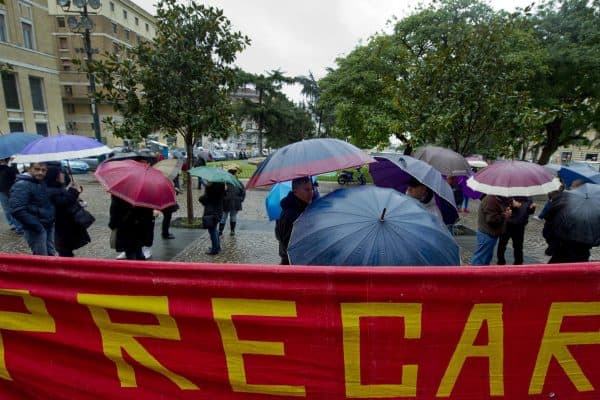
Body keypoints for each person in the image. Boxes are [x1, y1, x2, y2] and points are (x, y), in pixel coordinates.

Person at [9, 162, 56, 256]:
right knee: (41, 257)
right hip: (36, 228)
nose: (40, 172)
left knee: (51, 253)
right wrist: (38, 227)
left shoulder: (40, 182)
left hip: (48, 224)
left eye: (43, 170)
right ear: (29, 169)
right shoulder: (22, 184)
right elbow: (17, 209)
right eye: (37, 169)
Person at [45, 166, 91, 257]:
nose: (63, 175)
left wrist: (75, 192)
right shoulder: (51, 190)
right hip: (61, 224)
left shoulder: (58, 186)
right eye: (61, 173)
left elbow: (68, 198)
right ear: (55, 176)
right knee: (64, 248)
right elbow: (63, 202)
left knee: (67, 247)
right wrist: (73, 191)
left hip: (67, 223)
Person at [275, 176, 314, 265]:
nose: (311, 193)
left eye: (312, 189)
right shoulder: (292, 214)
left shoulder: (298, 209)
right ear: (295, 191)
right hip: (293, 265)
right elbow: (289, 245)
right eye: (307, 190)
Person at [109, 195, 154, 260]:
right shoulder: (145, 192)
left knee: (131, 253)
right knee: (138, 251)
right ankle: (141, 265)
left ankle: (135, 267)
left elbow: (114, 212)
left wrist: (113, 225)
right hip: (139, 227)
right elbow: (148, 212)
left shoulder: (119, 194)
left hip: (125, 228)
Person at [471, 194, 512, 265]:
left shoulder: (494, 198)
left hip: (490, 234)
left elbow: (496, 211)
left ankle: (483, 273)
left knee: (486, 257)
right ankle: (475, 274)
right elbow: (491, 219)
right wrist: (505, 215)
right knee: (481, 258)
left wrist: (505, 210)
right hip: (487, 234)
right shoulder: (490, 200)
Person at [496, 196, 535, 265]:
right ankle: (501, 261)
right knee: (502, 244)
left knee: (518, 246)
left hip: (520, 225)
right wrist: (511, 202)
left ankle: (518, 263)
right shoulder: (509, 192)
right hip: (507, 223)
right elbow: (501, 200)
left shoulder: (528, 196)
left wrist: (532, 209)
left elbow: (528, 211)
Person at [199, 182, 225, 255]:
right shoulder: (221, 186)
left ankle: (214, 249)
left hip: (211, 212)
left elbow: (203, 199)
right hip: (218, 211)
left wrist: (202, 196)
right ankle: (217, 247)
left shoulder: (211, 189)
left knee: (212, 231)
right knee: (214, 230)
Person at [219, 169, 245, 236]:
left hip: (234, 202)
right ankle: (221, 231)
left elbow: (243, 192)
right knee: (225, 216)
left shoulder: (237, 182)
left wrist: (240, 199)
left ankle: (231, 231)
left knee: (230, 216)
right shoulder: (225, 183)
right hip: (226, 202)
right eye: (235, 174)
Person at [0, 158, 23, 234]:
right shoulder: (9, 169)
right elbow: (17, 177)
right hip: (9, 190)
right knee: (13, 209)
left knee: (8, 210)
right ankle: (18, 227)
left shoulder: (9, 168)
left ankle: (14, 224)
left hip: (3, 191)